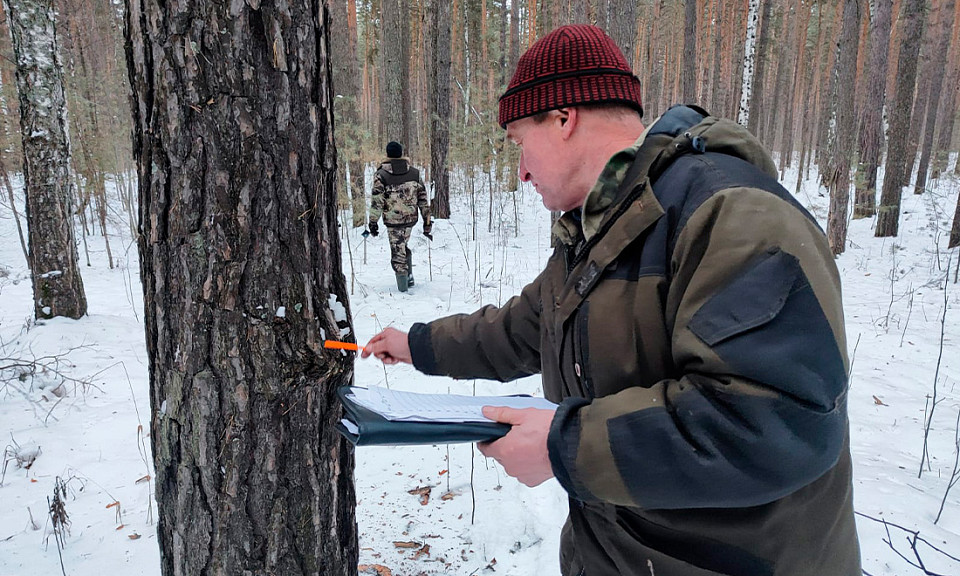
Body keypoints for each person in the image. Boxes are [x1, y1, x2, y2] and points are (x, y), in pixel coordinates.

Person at [362, 24, 861, 576]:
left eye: (519, 144)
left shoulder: (731, 214)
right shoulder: (598, 230)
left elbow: (770, 424)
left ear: (563, 117)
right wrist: (418, 345)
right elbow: (520, 330)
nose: (521, 170)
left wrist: (565, 446)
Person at [367, 141, 432, 292]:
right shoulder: (414, 173)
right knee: (401, 246)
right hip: (410, 220)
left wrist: (373, 222)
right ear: (401, 154)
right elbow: (423, 199)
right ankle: (408, 278)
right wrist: (427, 220)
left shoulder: (380, 175)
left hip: (393, 221)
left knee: (398, 254)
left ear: (387, 154)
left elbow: (377, 201)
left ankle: (403, 291)